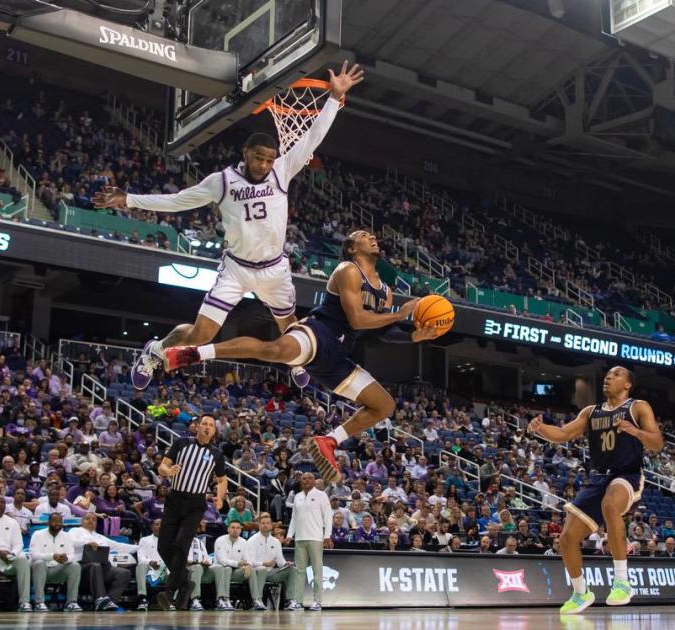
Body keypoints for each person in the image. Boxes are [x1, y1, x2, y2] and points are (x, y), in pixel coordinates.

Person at [93, 62, 365, 391]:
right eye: (259, 158)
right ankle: (155, 351)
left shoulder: (282, 169)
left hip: (275, 269)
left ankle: (294, 364)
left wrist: (335, 98)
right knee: (198, 338)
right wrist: (130, 199)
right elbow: (178, 200)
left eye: (269, 158)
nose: (265, 164)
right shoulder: (222, 182)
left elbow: (313, 137)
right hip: (236, 269)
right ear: (246, 153)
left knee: (291, 329)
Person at [160, 230, 439, 484]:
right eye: (363, 235)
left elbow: (378, 335)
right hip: (319, 332)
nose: (372, 237)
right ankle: (195, 353)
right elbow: (356, 318)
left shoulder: (386, 293)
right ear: (352, 248)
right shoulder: (348, 270)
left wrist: (413, 337)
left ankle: (329, 441)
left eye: (372, 235)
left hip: (338, 356)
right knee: (274, 350)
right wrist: (402, 315)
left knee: (384, 406)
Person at [528, 366, 662, 615]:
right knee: (566, 539)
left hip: (627, 474)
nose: (609, 377)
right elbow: (564, 434)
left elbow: (657, 443)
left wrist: (636, 431)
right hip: (599, 478)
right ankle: (581, 593)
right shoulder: (591, 412)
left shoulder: (638, 407)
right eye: (607, 374)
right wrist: (540, 429)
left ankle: (622, 581)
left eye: (616, 374)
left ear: (627, 385)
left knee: (611, 505)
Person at [155, 415, 227, 612]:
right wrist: (168, 472)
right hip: (174, 499)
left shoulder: (216, 454)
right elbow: (162, 465)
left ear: (214, 431)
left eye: (211, 425)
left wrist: (220, 497)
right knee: (163, 546)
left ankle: (169, 591)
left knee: (181, 544)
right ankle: (185, 581)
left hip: (196, 504)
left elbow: (222, 480)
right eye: (204, 423)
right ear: (197, 426)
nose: (207, 427)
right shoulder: (181, 443)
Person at [69, 512, 137, 611]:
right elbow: (69, 542)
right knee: (95, 566)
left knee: (124, 573)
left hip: (104, 567)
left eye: (93, 520)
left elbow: (120, 546)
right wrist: (87, 543)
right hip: (83, 567)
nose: (90, 521)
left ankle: (109, 602)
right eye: (87, 519)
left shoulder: (100, 537)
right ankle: (100, 599)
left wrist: (140, 546)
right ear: (82, 521)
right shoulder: (75, 531)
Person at [285, 472, 332, 610]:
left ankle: (317, 601)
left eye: (309, 478)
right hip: (299, 538)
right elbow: (294, 518)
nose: (306, 481)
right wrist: (289, 534)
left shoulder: (321, 495)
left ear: (314, 481)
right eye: (304, 479)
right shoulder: (297, 497)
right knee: (299, 571)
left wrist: (327, 535)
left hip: (316, 538)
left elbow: (328, 516)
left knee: (317, 570)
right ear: (301, 481)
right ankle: (298, 601)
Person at [29, 512, 83, 612]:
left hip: (58, 570)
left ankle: (71, 602)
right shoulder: (37, 534)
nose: (57, 523)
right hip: (41, 570)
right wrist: (52, 556)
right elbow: (33, 555)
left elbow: (72, 555)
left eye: (59, 521)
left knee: (75, 565)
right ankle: (39, 603)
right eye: (54, 521)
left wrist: (66, 559)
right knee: (39, 563)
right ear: (48, 523)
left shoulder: (67, 536)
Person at [247, 512, 299, 611]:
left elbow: (280, 561)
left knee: (292, 569)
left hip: (271, 572)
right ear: (259, 525)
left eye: (267, 523)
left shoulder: (276, 542)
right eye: (263, 523)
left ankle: (290, 601)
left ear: (271, 526)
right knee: (262, 569)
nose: (265, 525)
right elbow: (250, 561)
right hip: (256, 571)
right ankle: (258, 601)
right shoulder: (252, 540)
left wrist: (285, 564)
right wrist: (263, 563)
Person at [213, 521, 253, 611]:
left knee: (251, 569)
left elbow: (248, 559)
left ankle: (256, 600)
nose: (235, 530)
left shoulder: (244, 542)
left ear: (241, 530)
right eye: (233, 527)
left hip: (236, 570)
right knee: (226, 568)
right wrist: (238, 563)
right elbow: (222, 560)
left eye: (238, 528)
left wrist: (248, 565)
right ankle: (223, 599)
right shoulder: (220, 540)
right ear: (228, 529)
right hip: (218, 569)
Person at [135, 518, 165, 612]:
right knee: (141, 566)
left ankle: (172, 600)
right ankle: (142, 598)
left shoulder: (170, 541)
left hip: (165, 571)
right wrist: (150, 562)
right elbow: (141, 557)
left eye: (162, 524)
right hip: (150, 570)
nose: (159, 526)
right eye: (157, 524)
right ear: (152, 527)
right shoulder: (145, 540)